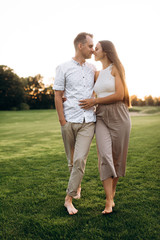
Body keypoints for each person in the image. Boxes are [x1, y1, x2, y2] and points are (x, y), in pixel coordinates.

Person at [79, 40, 131, 214]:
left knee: (116, 159)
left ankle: (111, 197)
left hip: (119, 115)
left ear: (107, 51)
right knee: (105, 157)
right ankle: (109, 201)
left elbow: (119, 94)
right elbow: (86, 93)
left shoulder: (117, 68)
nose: (94, 51)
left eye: (97, 48)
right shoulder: (96, 74)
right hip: (100, 116)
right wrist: (69, 99)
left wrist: (95, 100)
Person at [53, 32, 96, 215]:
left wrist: (94, 101)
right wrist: (62, 121)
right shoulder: (63, 67)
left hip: (88, 121)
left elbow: (104, 84)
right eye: (90, 46)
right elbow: (57, 94)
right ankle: (77, 185)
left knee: (79, 159)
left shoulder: (93, 68)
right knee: (71, 161)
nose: (92, 50)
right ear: (81, 46)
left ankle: (68, 199)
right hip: (69, 120)